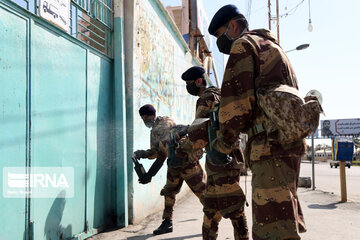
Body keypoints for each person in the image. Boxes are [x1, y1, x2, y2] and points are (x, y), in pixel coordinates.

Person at [208, 4, 306, 240]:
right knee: (284, 219)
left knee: (271, 230)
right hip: (289, 145)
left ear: (233, 26)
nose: (221, 44)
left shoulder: (244, 45)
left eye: (221, 36)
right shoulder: (274, 48)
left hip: (269, 148)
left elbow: (236, 106)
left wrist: (221, 147)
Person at [180, 66, 249, 240]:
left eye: (189, 83)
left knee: (235, 212)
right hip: (226, 159)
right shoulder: (221, 94)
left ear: (199, 81)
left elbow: (199, 137)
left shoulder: (206, 98)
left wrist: (182, 146)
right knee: (211, 210)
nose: (188, 87)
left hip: (220, 161)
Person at [133, 104, 206, 235]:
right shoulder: (156, 127)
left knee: (202, 192)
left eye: (145, 118)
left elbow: (162, 154)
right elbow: (157, 151)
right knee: (169, 192)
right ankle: (167, 223)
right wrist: (143, 154)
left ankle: (213, 218)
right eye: (143, 119)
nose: (145, 121)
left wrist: (150, 174)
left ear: (152, 115)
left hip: (187, 162)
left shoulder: (162, 127)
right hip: (174, 163)